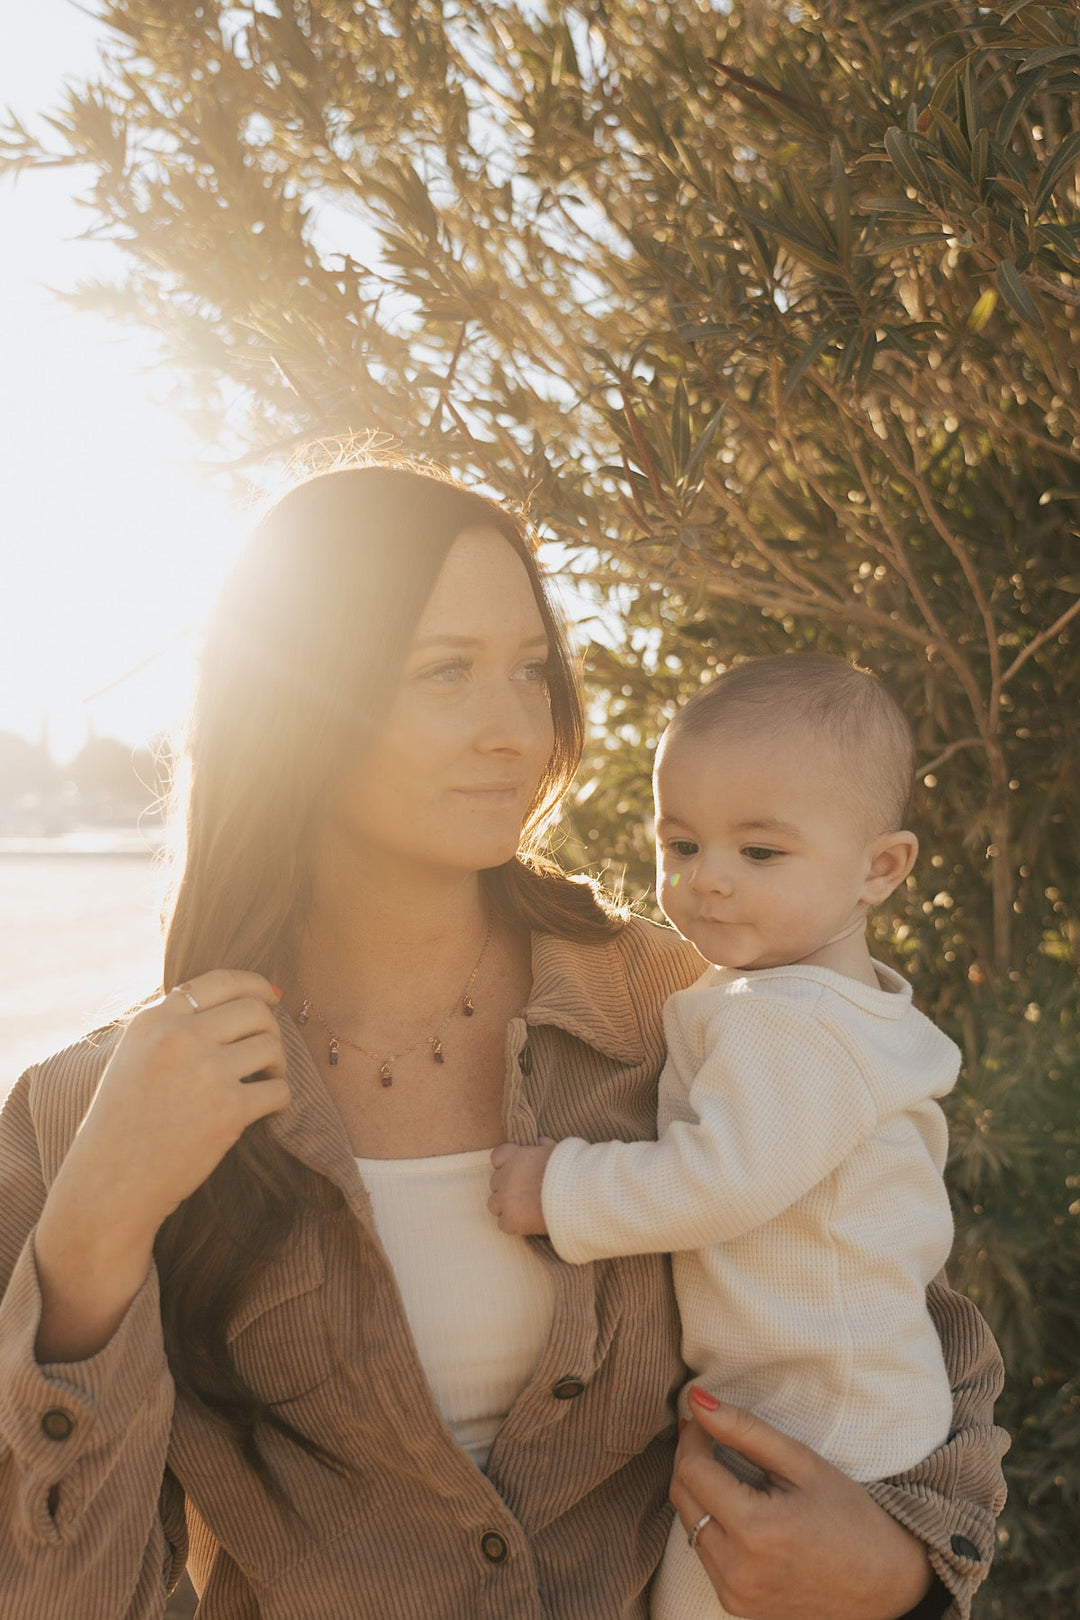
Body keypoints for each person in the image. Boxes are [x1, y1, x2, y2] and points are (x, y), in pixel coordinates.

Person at [0, 464, 1006, 1620]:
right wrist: (90, 1238)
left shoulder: (685, 1006)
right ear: (296, 703)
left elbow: (908, 1323)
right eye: (446, 674)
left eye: (531, 671)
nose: (516, 731)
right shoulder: (92, 1105)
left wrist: (900, 1576)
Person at [488, 653, 976, 1617]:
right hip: (839, 1402)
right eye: (681, 845)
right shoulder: (829, 1008)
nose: (708, 881)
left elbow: (718, 1182)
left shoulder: (789, 1021)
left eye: (759, 854)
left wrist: (560, 1189)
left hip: (820, 1420)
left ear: (880, 868)